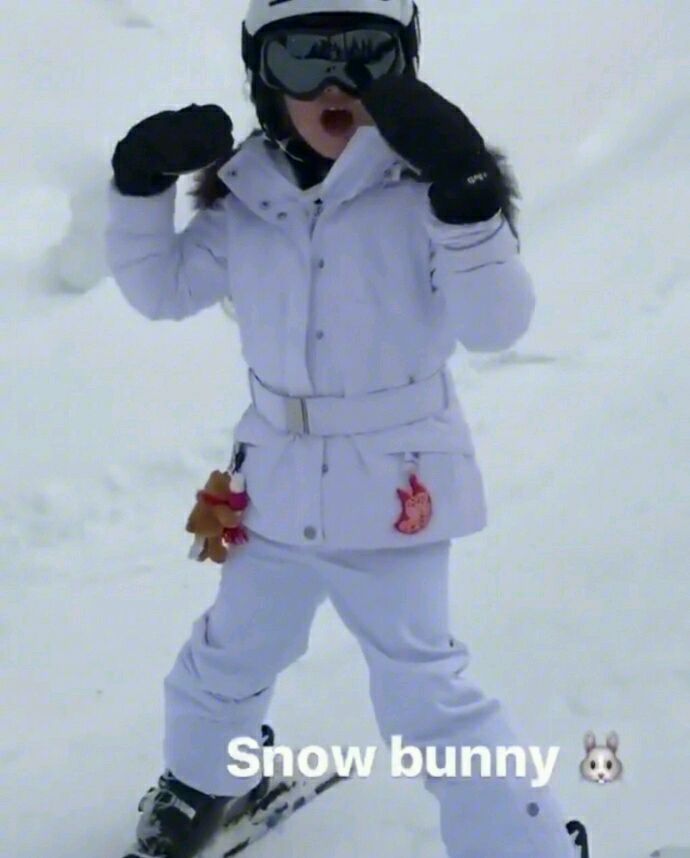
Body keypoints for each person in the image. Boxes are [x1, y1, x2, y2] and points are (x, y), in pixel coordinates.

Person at [106, 2, 585, 856]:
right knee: (225, 655)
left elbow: (497, 324)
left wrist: (467, 193)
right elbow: (161, 289)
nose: (334, 84)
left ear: (405, 71)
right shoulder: (249, 195)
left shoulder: (423, 192)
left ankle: (526, 844)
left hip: (395, 489)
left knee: (424, 695)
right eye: (301, 59)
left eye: (365, 57)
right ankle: (207, 782)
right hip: (272, 487)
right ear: (263, 79)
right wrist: (140, 185)